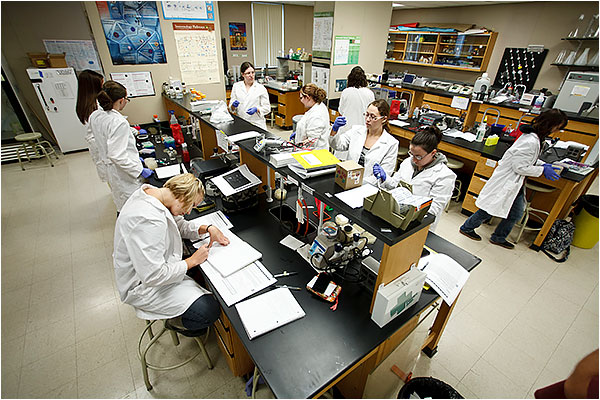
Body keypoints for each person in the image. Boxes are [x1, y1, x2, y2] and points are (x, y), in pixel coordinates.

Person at [114, 173, 229, 332]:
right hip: (144, 286)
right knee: (209, 311)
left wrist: (208, 229)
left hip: (157, 268)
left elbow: (180, 226)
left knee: (205, 274)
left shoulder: (157, 195)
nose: (189, 212)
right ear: (182, 197)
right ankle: (175, 321)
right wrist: (192, 261)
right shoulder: (148, 219)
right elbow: (153, 275)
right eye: (192, 205)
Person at [459, 109, 567, 249]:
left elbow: (528, 159)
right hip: (508, 180)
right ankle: (467, 228)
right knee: (489, 209)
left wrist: (543, 164)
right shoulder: (530, 141)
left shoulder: (533, 138)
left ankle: (499, 236)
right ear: (550, 125)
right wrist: (542, 170)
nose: (556, 131)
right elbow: (520, 167)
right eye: (557, 128)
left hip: (515, 182)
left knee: (516, 213)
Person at [372, 126, 456, 232]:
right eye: (412, 154)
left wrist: (410, 203)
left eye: (419, 156)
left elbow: (434, 209)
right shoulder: (408, 162)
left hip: (418, 225)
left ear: (433, 153)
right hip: (396, 216)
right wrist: (385, 179)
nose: (414, 160)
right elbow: (396, 185)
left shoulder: (445, 176)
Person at [89, 81, 152, 212]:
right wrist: (139, 170)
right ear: (121, 100)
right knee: (133, 207)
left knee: (122, 204)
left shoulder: (96, 115)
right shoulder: (119, 122)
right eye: (126, 99)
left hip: (111, 170)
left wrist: (134, 157)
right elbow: (117, 155)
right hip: (123, 174)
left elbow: (100, 141)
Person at [329, 99, 399, 185]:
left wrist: (358, 182)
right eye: (367, 115)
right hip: (347, 183)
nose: (368, 119)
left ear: (384, 119)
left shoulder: (391, 144)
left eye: (373, 117)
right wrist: (334, 130)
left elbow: (384, 174)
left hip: (369, 189)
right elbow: (338, 145)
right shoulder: (356, 131)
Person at [334, 66, 375, 159]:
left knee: (342, 157)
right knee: (356, 158)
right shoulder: (370, 93)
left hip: (347, 128)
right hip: (362, 129)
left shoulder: (346, 92)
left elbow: (341, 111)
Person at [76, 69, 107, 182]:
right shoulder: (96, 108)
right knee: (111, 174)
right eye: (101, 84)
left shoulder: (85, 103)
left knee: (110, 175)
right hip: (101, 143)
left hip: (97, 142)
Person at [228, 62, 270, 130]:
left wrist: (257, 109)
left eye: (253, 72)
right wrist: (233, 105)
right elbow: (231, 109)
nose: (251, 75)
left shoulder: (260, 88)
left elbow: (267, 108)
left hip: (257, 123)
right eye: (248, 73)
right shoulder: (236, 86)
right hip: (241, 122)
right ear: (242, 74)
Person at [290, 83, 330, 150]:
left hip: (314, 153)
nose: (301, 100)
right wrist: (299, 133)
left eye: (301, 98)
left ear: (308, 97)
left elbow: (312, 142)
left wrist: (296, 145)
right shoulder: (318, 106)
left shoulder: (317, 115)